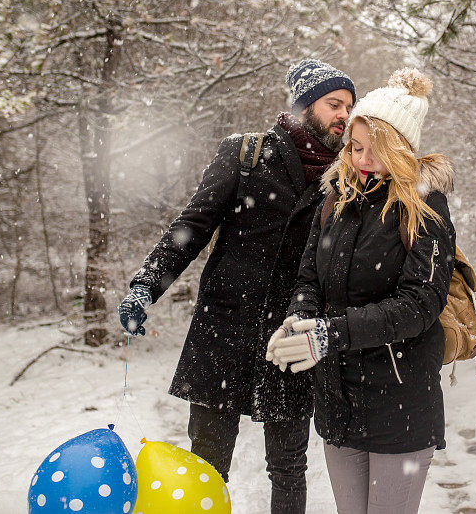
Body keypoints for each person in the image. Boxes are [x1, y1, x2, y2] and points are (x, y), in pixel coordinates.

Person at [117, 59, 355, 514]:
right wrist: (147, 285)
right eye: (334, 104)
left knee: (288, 466)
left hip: (291, 337)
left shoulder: (343, 178)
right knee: (204, 468)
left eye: (349, 106)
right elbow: (192, 226)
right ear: (306, 105)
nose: (344, 115)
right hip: (223, 331)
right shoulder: (245, 154)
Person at [267, 68, 456, 514]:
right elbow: (308, 280)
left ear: (402, 150)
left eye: (377, 150)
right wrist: (300, 320)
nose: (362, 160)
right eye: (355, 147)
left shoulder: (425, 206)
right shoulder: (335, 199)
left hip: (401, 402)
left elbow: (419, 305)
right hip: (338, 401)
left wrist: (330, 334)